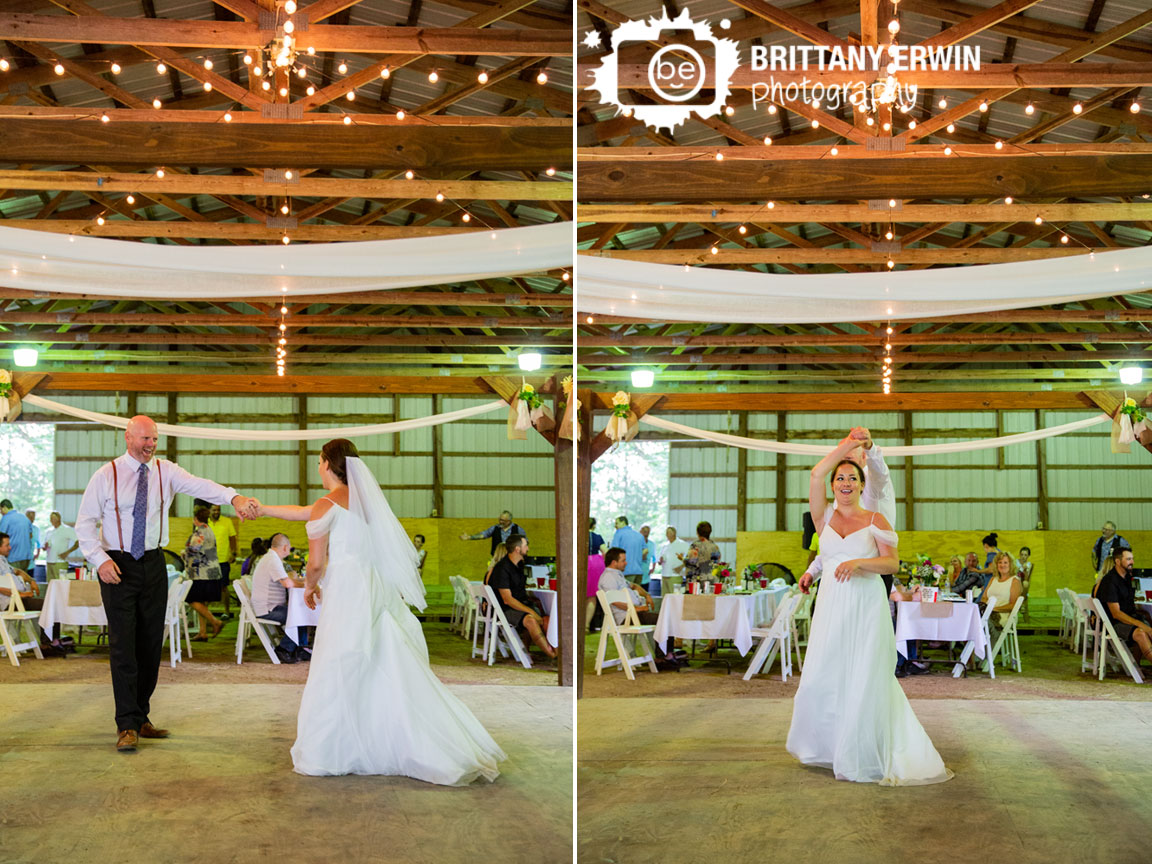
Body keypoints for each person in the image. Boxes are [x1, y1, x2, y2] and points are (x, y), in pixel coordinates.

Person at [256, 438, 504, 783]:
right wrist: (263, 508)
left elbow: (314, 563)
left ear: (328, 463)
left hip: (345, 589)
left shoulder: (327, 504)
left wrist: (311, 587)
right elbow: (304, 512)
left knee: (339, 661)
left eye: (318, 461)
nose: (317, 466)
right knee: (375, 657)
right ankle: (385, 736)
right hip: (373, 587)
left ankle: (338, 746)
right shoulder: (366, 504)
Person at [76, 415, 260, 753]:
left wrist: (233, 498)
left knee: (149, 644)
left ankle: (141, 715)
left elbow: (201, 485)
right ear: (128, 438)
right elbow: (85, 524)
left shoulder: (166, 470)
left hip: (153, 563)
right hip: (116, 564)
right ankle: (126, 725)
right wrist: (100, 560)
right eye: (145, 439)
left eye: (155, 439)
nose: (150, 445)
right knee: (123, 646)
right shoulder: (106, 475)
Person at [786, 433, 951, 785]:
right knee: (824, 672)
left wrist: (861, 562)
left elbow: (891, 564)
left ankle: (863, 749)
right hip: (831, 604)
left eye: (852, 478)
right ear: (833, 485)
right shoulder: (823, 518)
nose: (845, 483)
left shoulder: (877, 518)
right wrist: (846, 444)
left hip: (865, 604)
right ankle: (828, 746)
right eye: (840, 478)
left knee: (863, 674)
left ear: (863, 484)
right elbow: (816, 474)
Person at [802, 427, 896, 595]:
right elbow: (835, 544)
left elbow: (881, 474)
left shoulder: (873, 483)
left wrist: (870, 447)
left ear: (864, 457)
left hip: (873, 575)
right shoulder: (838, 501)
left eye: (849, 457)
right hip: (837, 578)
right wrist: (813, 570)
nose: (847, 481)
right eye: (840, 458)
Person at [598, 548, 676, 669]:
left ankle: (665, 654)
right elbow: (614, 601)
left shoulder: (617, 575)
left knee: (663, 618)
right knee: (663, 619)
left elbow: (634, 586)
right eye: (623, 560)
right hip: (626, 617)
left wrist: (647, 595)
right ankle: (663, 657)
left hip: (633, 613)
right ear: (614, 562)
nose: (626, 562)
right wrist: (636, 609)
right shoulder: (608, 578)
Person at [488, 535, 555, 659]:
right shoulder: (502, 568)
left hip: (517, 605)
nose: (528, 548)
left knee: (548, 618)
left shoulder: (518, 565)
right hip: (503, 610)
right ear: (517, 549)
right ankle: (552, 655)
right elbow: (507, 600)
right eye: (526, 546)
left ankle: (552, 649)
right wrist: (531, 611)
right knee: (530, 619)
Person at [251, 532, 308, 663]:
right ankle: (284, 649)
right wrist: (306, 584)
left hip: (270, 606)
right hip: (267, 609)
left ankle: (299, 648)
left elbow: (288, 580)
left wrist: (303, 582)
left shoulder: (271, 558)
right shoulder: (272, 560)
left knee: (300, 612)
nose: (289, 551)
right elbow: (287, 583)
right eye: (290, 548)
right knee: (299, 614)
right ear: (285, 547)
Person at [1094, 547, 1152, 667]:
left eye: (1132, 559)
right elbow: (1116, 614)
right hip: (1112, 624)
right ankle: (1135, 666)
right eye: (1128, 559)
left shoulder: (1126, 578)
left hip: (1126, 619)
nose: (1132, 562)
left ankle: (1135, 666)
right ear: (1118, 561)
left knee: (1146, 625)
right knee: (1141, 633)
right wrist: (1142, 625)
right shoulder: (1110, 581)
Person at [183, 506, 226, 643]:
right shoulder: (209, 529)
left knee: (191, 600)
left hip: (202, 573)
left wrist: (184, 553)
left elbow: (193, 551)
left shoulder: (199, 533)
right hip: (212, 571)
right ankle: (203, 632)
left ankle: (215, 622)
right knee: (202, 603)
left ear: (195, 519)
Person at [980, 552, 1023, 646]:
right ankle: (974, 653)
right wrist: (985, 608)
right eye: (1000, 562)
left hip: (1003, 617)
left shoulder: (1014, 581)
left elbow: (1013, 605)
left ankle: (980, 654)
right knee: (971, 621)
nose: (1002, 565)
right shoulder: (993, 579)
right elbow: (984, 598)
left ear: (1011, 565)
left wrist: (993, 609)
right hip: (988, 614)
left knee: (976, 624)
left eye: (1005, 562)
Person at [208, 503, 238, 614]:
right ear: (209, 511)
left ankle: (226, 611)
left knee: (224, 587)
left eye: (218, 510)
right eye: (214, 510)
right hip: (209, 561)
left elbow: (232, 537)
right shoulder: (205, 523)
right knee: (209, 587)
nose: (216, 512)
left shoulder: (227, 522)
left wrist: (233, 553)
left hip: (223, 560)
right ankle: (208, 612)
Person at [0, 533, 42, 612]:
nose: (10, 547)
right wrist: (21, 595)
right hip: (11, 603)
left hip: (20, 598)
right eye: (7, 545)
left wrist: (31, 581)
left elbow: (18, 571)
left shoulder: (2, 560)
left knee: (49, 603)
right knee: (48, 606)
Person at [459, 510, 524, 557]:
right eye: (500, 519)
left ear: (509, 521)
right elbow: (484, 534)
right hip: (497, 557)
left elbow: (525, 542)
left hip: (513, 557)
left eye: (503, 520)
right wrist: (469, 537)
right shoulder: (495, 528)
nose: (500, 522)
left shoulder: (517, 529)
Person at [610, 516, 647, 583]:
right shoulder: (639, 535)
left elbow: (614, 551)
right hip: (638, 572)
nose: (615, 526)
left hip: (625, 571)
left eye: (617, 523)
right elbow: (646, 550)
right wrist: (637, 555)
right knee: (636, 593)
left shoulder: (619, 533)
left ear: (623, 522)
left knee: (624, 593)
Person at [0, 500, 34, 573]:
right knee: (22, 581)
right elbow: (31, 536)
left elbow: (1, 538)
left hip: (13, 557)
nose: (0, 512)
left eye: (0, 509)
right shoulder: (24, 518)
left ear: (4, 508)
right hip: (26, 557)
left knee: (12, 582)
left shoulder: (6, 518)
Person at [43, 512, 79, 580]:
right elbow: (44, 546)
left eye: (53, 518)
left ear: (59, 519)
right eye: (50, 519)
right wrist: (45, 547)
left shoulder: (67, 529)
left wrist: (67, 553)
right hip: (49, 562)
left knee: (61, 584)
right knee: (50, 584)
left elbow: (78, 542)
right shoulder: (49, 531)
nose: (51, 521)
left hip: (60, 562)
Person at [657, 526, 690, 594]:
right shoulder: (664, 545)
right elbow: (660, 559)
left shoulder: (682, 544)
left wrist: (681, 567)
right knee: (665, 598)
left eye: (669, 533)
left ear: (674, 533)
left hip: (675, 576)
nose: (667, 535)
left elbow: (690, 557)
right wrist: (660, 561)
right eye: (666, 533)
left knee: (675, 597)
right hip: (664, 575)